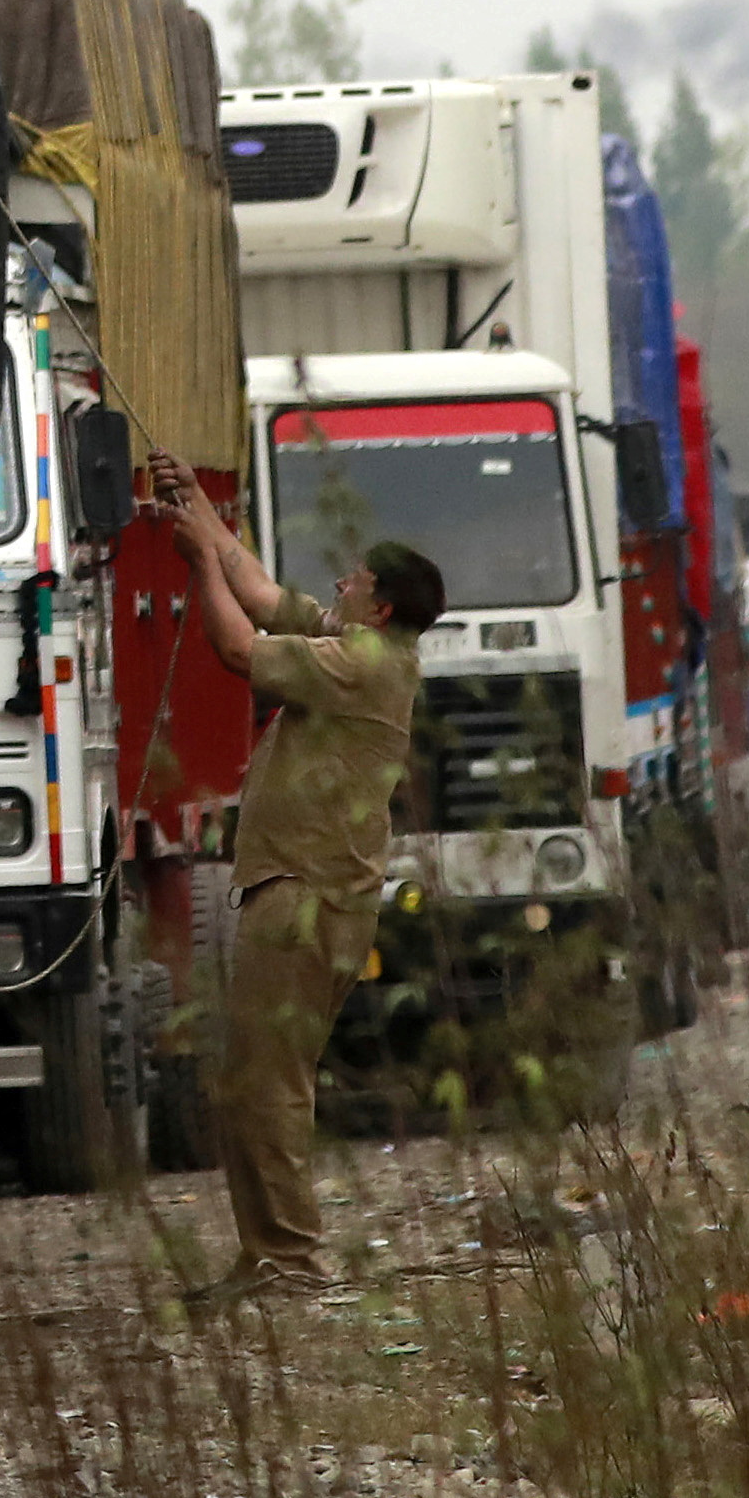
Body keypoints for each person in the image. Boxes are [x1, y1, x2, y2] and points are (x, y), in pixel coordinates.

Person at [149, 449, 441, 1296]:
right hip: (301, 896)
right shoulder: (357, 646)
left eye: (353, 581)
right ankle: (267, 1254)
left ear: (380, 605)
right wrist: (198, 504)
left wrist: (198, 560)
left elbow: (240, 647)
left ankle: (291, 1258)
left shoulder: (363, 665)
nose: (339, 585)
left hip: (308, 901)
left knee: (269, 1083)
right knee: (254, 1077)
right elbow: (263, 591)